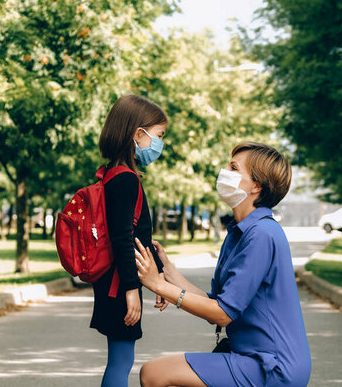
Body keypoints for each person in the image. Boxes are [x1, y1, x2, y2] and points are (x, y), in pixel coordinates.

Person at [134, 142, 312, 387]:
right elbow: (216, 307)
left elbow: (222, 314)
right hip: (252, 358)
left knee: (154, 373)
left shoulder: (261, 234)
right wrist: (168, 273)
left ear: (256, 186)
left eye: (233, 168)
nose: (224, 172)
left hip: (271, 366)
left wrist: (159, 285)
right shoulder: (240, 231)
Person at [93, 94, 169, 387]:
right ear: (139, 134)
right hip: (118, 285)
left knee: (120, 358)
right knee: (122, 360)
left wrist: (159, 280)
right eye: (158, 136)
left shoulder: (114, 174)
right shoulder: (125, 179)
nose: (160, 144)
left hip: (114, 283)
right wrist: (131, 290)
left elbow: (138, 236)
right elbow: (123, 239)